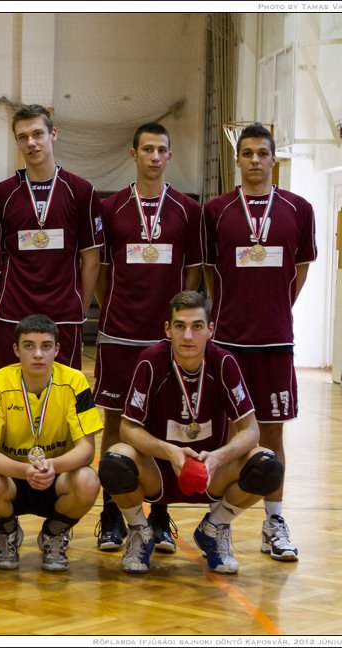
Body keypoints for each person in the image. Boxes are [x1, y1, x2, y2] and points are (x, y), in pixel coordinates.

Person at [98, 291, 284, 574]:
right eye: (180, 326)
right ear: (167, 329)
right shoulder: (151, 361)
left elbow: (250, 430)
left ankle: (215, 528)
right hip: (158, 470)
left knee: (267, 465)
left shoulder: (224, 362)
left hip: (211, 471)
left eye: (197, 326)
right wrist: (169, 451)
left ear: (211, 329)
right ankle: (140, 532)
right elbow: (128, 428)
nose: (188, 335)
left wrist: (219, 457)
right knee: (114, 460)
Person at [202, 123, 316, 562]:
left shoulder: (299, 209)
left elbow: (300, 270)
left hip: (275, 342)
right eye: (247, 153)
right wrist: (229, 309)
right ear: (237, 160)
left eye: (262, 153)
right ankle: (220, 523)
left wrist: (275, 309)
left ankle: (274, 522)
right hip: (228, 341)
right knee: (232, 434)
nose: (254, 160)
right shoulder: (216, 211)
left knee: (272, 432)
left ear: (273, 159)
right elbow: (210, 271)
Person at [93, 123, 203, 553]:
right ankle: (110, 513)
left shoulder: (188, 210)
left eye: (162, 150)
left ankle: (159, 513)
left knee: (162, 422)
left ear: (170, 156)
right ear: (133, 154)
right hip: (119, 333)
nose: (155, 157)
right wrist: (113, 308)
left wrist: (175, 324)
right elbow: (101, 272)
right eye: (147, 149)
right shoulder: (110, 208)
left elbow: (192, 275)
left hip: (167, 339)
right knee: (114, 422)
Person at [0, 314, 102, 572]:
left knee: (87, 480)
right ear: (16, 349)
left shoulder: (75, 382)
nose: (38, 354)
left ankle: (54, 533)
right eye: (29, 346)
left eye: (46, 346)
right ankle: (7, 532)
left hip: (56, 476)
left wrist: (52, 465)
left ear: (57, 349)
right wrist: (24, 471)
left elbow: (87, 450)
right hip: (11, 477)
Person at [0, 104, 103, 374]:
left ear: (53, 134)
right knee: (6, 388)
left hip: (63, 315)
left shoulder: (81, 191)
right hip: (13, 313)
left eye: (37, 134)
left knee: (63, 391)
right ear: (17, 142)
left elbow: (91, 260)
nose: (31, 142)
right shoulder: (2, 195)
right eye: (23, 137)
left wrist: (79, 309)